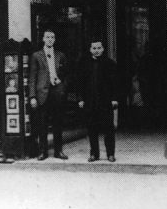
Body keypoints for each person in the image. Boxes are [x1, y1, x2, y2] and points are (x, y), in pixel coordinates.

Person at [29, 29, 69, 160]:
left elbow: (66, 75)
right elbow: (32, 77)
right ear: (43, 39)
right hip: (42, 94)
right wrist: (32, 96)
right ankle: (43, 152)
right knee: (42, 125)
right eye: (48, 37)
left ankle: (59, 151)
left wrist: (62, 86)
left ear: (55, 40)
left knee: (58, 124)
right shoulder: (36, 56)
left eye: (52, 37)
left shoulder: (60, 55)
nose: (50, 39)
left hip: (56, 93)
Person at [77, 40, 118, 162]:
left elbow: (116, 84)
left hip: (105, 102)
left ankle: (110, 154)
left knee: (108, 129)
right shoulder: (84, 64)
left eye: (99, 48)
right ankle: (94, 154)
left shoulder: (110, 64)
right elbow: (79, 83)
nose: (97, 50)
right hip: (90, 102)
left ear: (103, 49)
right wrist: (80, 99)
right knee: (92, 129)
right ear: (90, 49)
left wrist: (114, 98)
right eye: (94, 48)